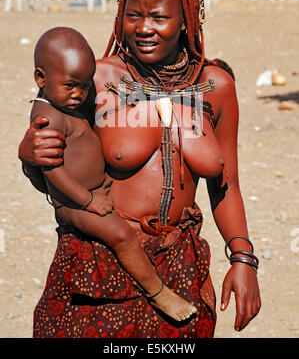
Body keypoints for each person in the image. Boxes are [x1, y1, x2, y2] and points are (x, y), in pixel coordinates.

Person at [18, 0, 261, 338]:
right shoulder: (97, 79)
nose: (144, 28)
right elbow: (56, 162)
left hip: (182, 265)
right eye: (134, 15)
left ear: (186, 16)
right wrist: (29, 159)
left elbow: (228, 184)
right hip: (100, 262)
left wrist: (242, 259)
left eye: (159, 17)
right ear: (120, 14)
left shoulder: (215, 86)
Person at [29, 26, 197, 323]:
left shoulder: (66, 102)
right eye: (70, 86)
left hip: (94, 190)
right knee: (122, 236)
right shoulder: (48, 117)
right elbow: (52, 170)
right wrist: (87, 200)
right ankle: (159, 293)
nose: (78, 94)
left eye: (83, 86)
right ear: (41, 79)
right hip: (73, 203)